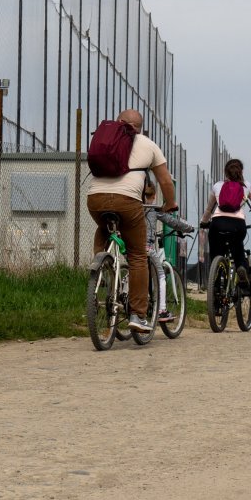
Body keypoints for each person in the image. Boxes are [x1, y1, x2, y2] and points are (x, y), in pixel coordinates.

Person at [87, 109, 179, 333]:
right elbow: (165, 181)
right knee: (138, 255)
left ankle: (102, 272)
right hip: (127, 202)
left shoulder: (102, 138)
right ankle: (138, 315)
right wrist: (170, 204)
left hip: (95, 199)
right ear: (140, 127)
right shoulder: (148, 144)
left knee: (103, 229)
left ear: (119, 122)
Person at [200, 158, 251, 276]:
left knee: (216, 252)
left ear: (225, 172)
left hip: (217, 223)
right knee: (238, 248)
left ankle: (216, 274)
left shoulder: (217, 185)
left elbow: (208, 209)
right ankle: (241, 267)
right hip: (237, 225)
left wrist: (203, 222)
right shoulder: (246, 186)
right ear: (241, 172)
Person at [142, 181, 194, 322]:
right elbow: (173, 222)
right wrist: (189, 228)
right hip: (147, 248)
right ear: (154, 194)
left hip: (131, 248)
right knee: (160, 276)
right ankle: (162, 310)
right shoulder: (153, 208)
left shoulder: (132, 207)